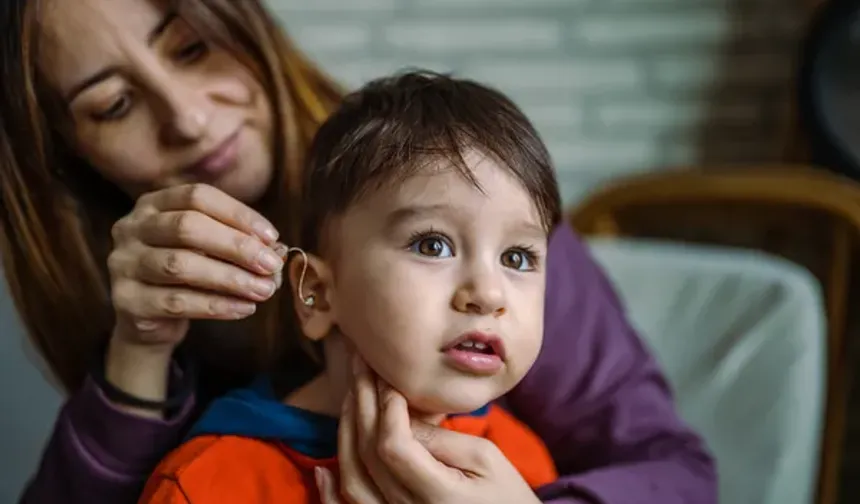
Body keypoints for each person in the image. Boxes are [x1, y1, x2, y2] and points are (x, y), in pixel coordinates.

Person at [0, 0, 717, 503]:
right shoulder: (207, 468)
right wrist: (137, 354)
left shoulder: (478, 198)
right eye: (112, 105)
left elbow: (675, 471)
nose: (187, 117)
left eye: (192, 46)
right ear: (68, 159)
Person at [140, 71, 562, 503]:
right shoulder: (203, 485)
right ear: (318, 294)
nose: (488, 295)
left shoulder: (512, 465)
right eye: (433, 245)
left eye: (517, 258)